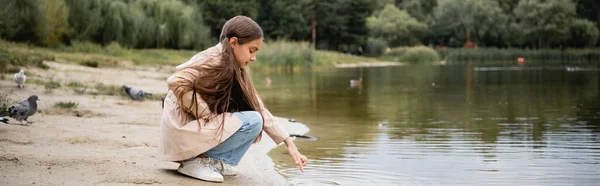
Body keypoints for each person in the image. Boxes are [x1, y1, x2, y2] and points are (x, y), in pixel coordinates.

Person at [160, 16, 308, 183]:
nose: (254, 58)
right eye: (251, 50)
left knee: (255, 119)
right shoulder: (213, 59)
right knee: (252, 120)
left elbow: (259, 108)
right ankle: (195, 161)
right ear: (233, 42)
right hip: (181, 132)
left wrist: (289, 144)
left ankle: (214, 160)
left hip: (191, 131)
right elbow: (175, 81)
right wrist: (205, 113)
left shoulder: (234, 65)